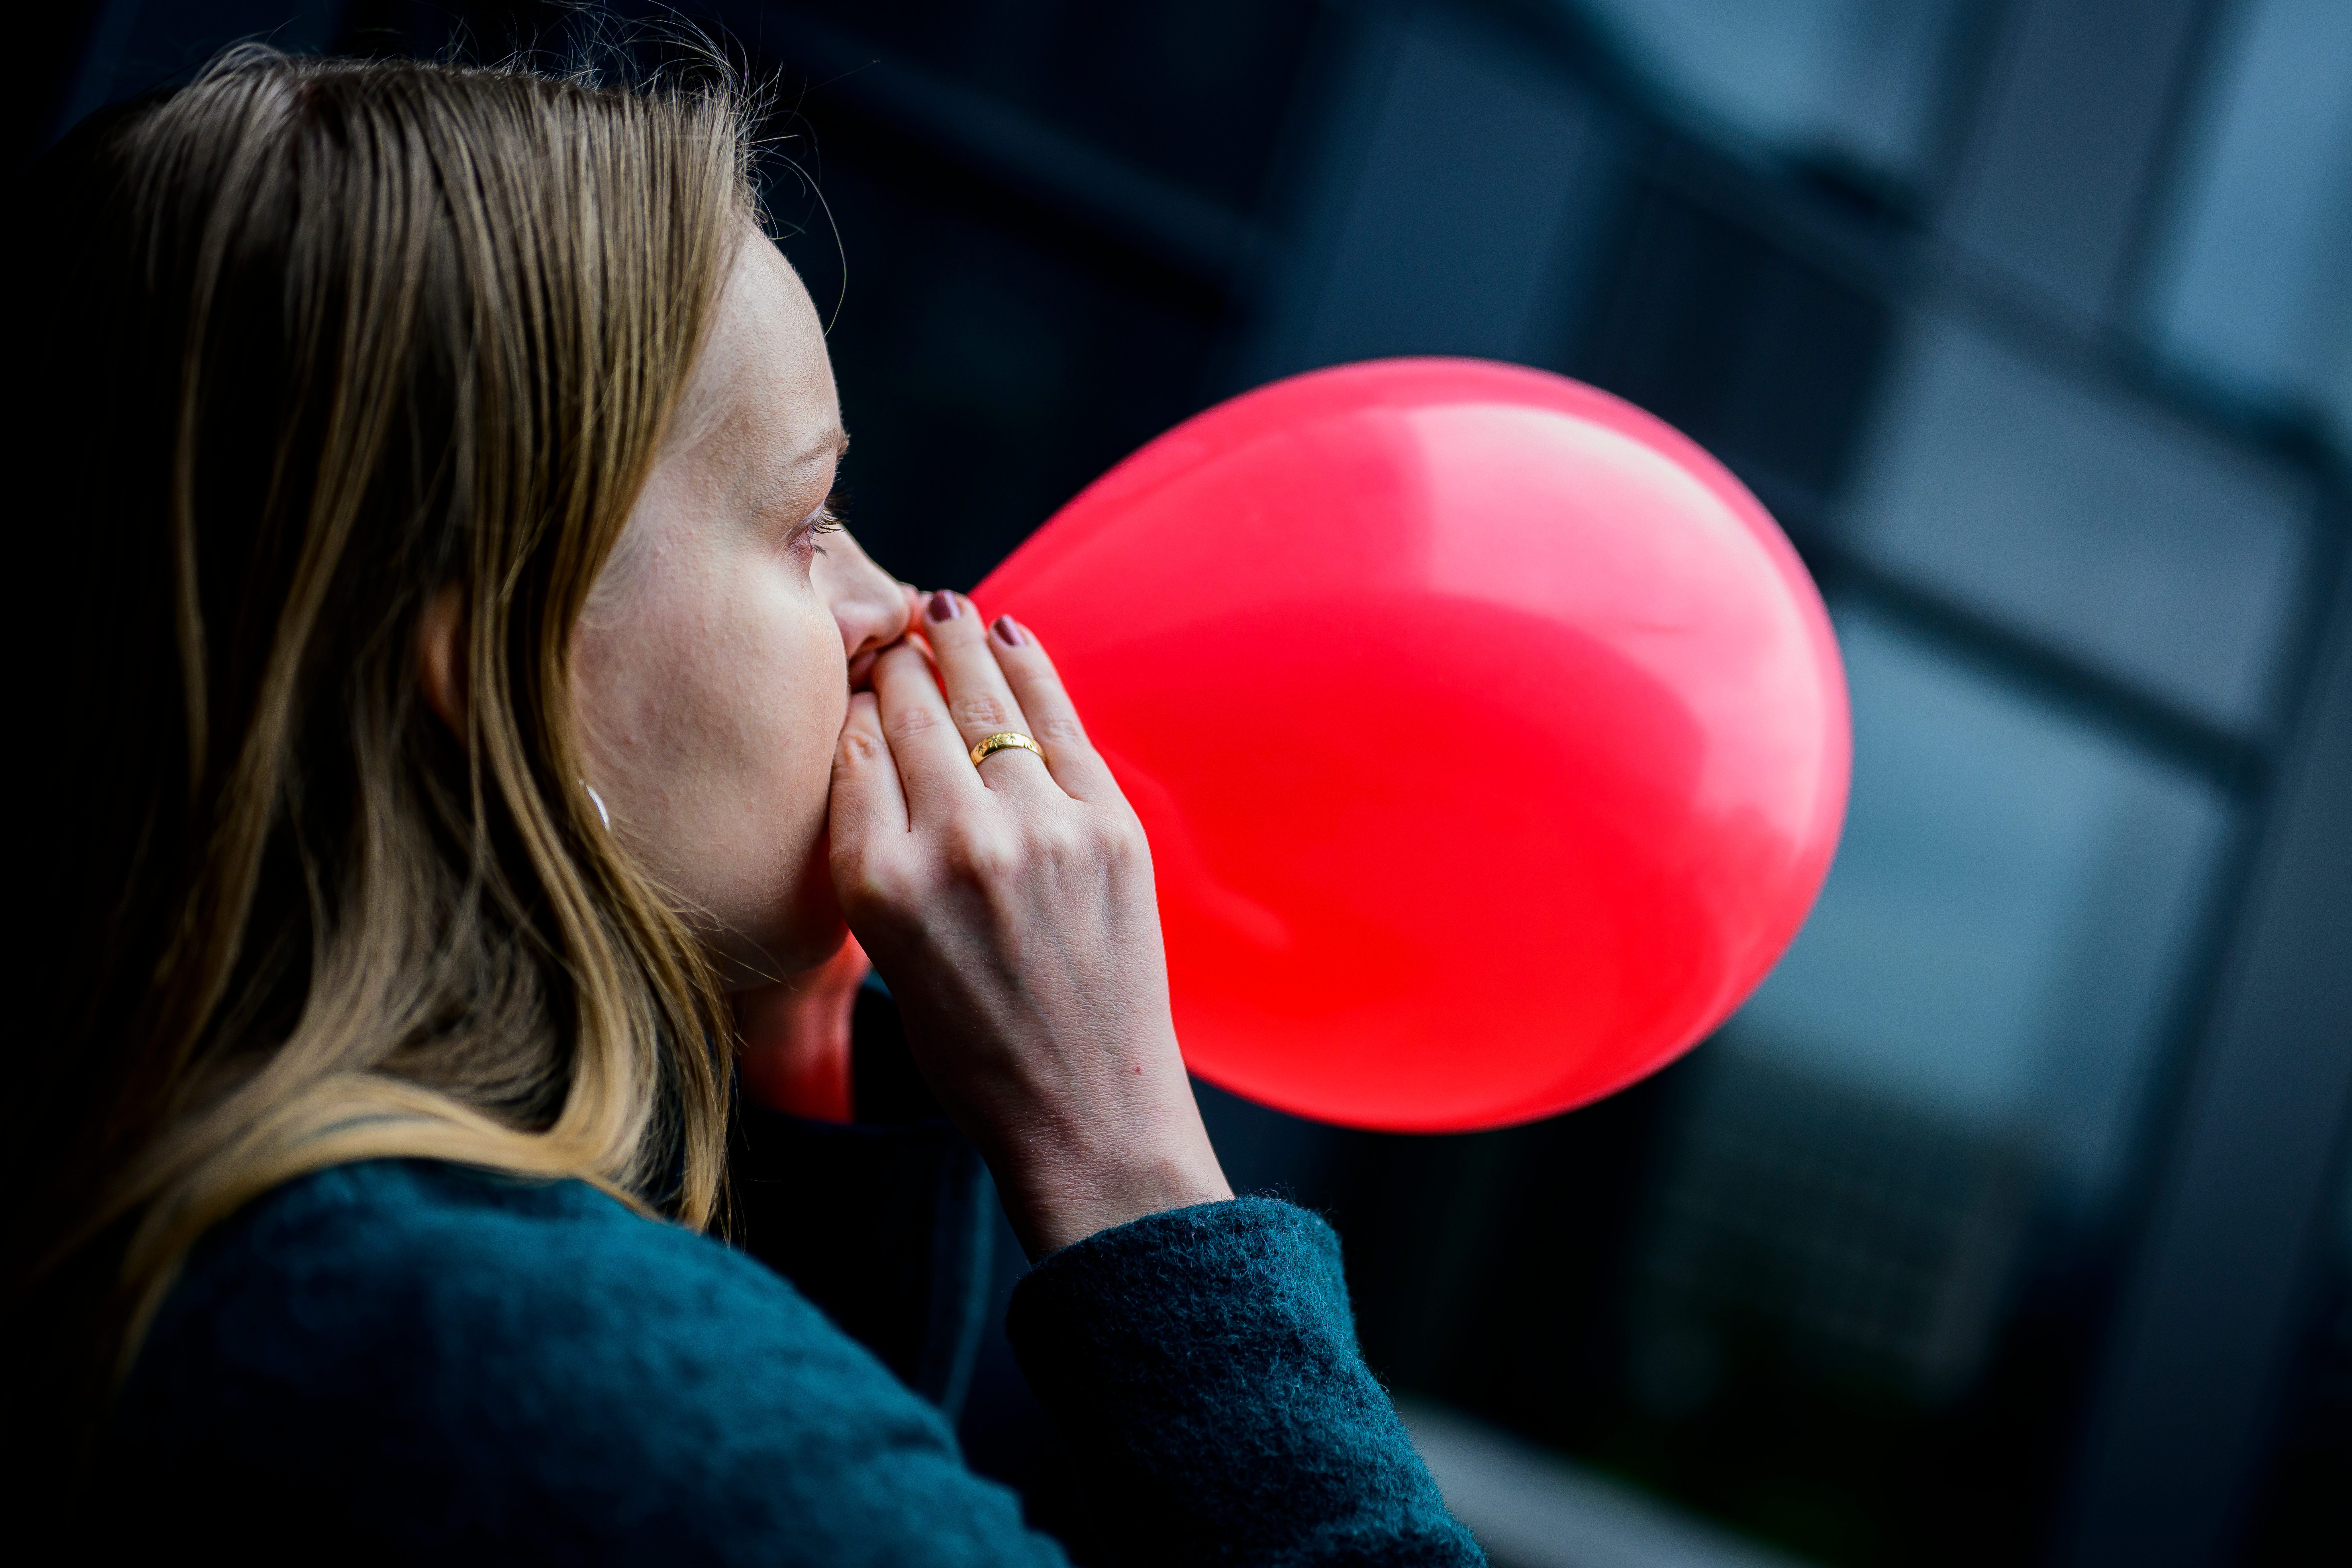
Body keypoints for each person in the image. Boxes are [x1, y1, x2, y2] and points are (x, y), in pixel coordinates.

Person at [0, 47, 1485, 1567]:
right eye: (803, 520)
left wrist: (804, 1077)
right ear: (494, 664)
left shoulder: (182, 1219)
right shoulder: (558, 1386)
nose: (901, 611)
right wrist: (1126, 1165)